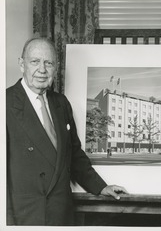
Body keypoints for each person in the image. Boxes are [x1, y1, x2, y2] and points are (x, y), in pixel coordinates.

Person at [6, 38, 128, 225]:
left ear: (56, 68)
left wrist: (101, 187)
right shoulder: (5, 103)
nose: (42, 69)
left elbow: (74, 154)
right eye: (35, 62)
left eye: (49, 63)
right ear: (22, 64)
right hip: (24, 216)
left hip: (61, 213)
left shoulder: (61, 103)